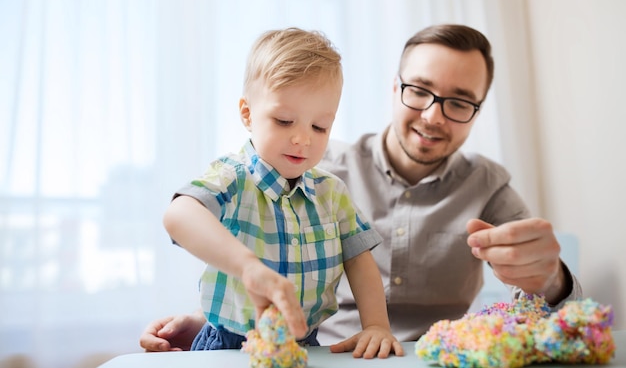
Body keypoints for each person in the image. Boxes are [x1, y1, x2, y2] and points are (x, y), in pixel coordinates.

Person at [140, 24, 582, 352]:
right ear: (394, 88)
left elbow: (550, 302)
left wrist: (553, 278)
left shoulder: (488, 185)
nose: (432, 115)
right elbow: (190, 217)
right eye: (419, 90)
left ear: (478, 110)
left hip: (424, 356)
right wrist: (211, 320)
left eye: (459, 101)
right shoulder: (306, 167)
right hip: (321, 350)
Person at [160, 27, 403, 358]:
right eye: (284, 121)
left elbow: (360, 262)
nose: (303, 139)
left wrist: (376, 324)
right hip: (231, 346)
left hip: (304, 346)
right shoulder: (232, 177)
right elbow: (179, 214)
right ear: (247, 113)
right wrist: (249, 267)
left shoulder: (332, 192)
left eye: (320, 127)